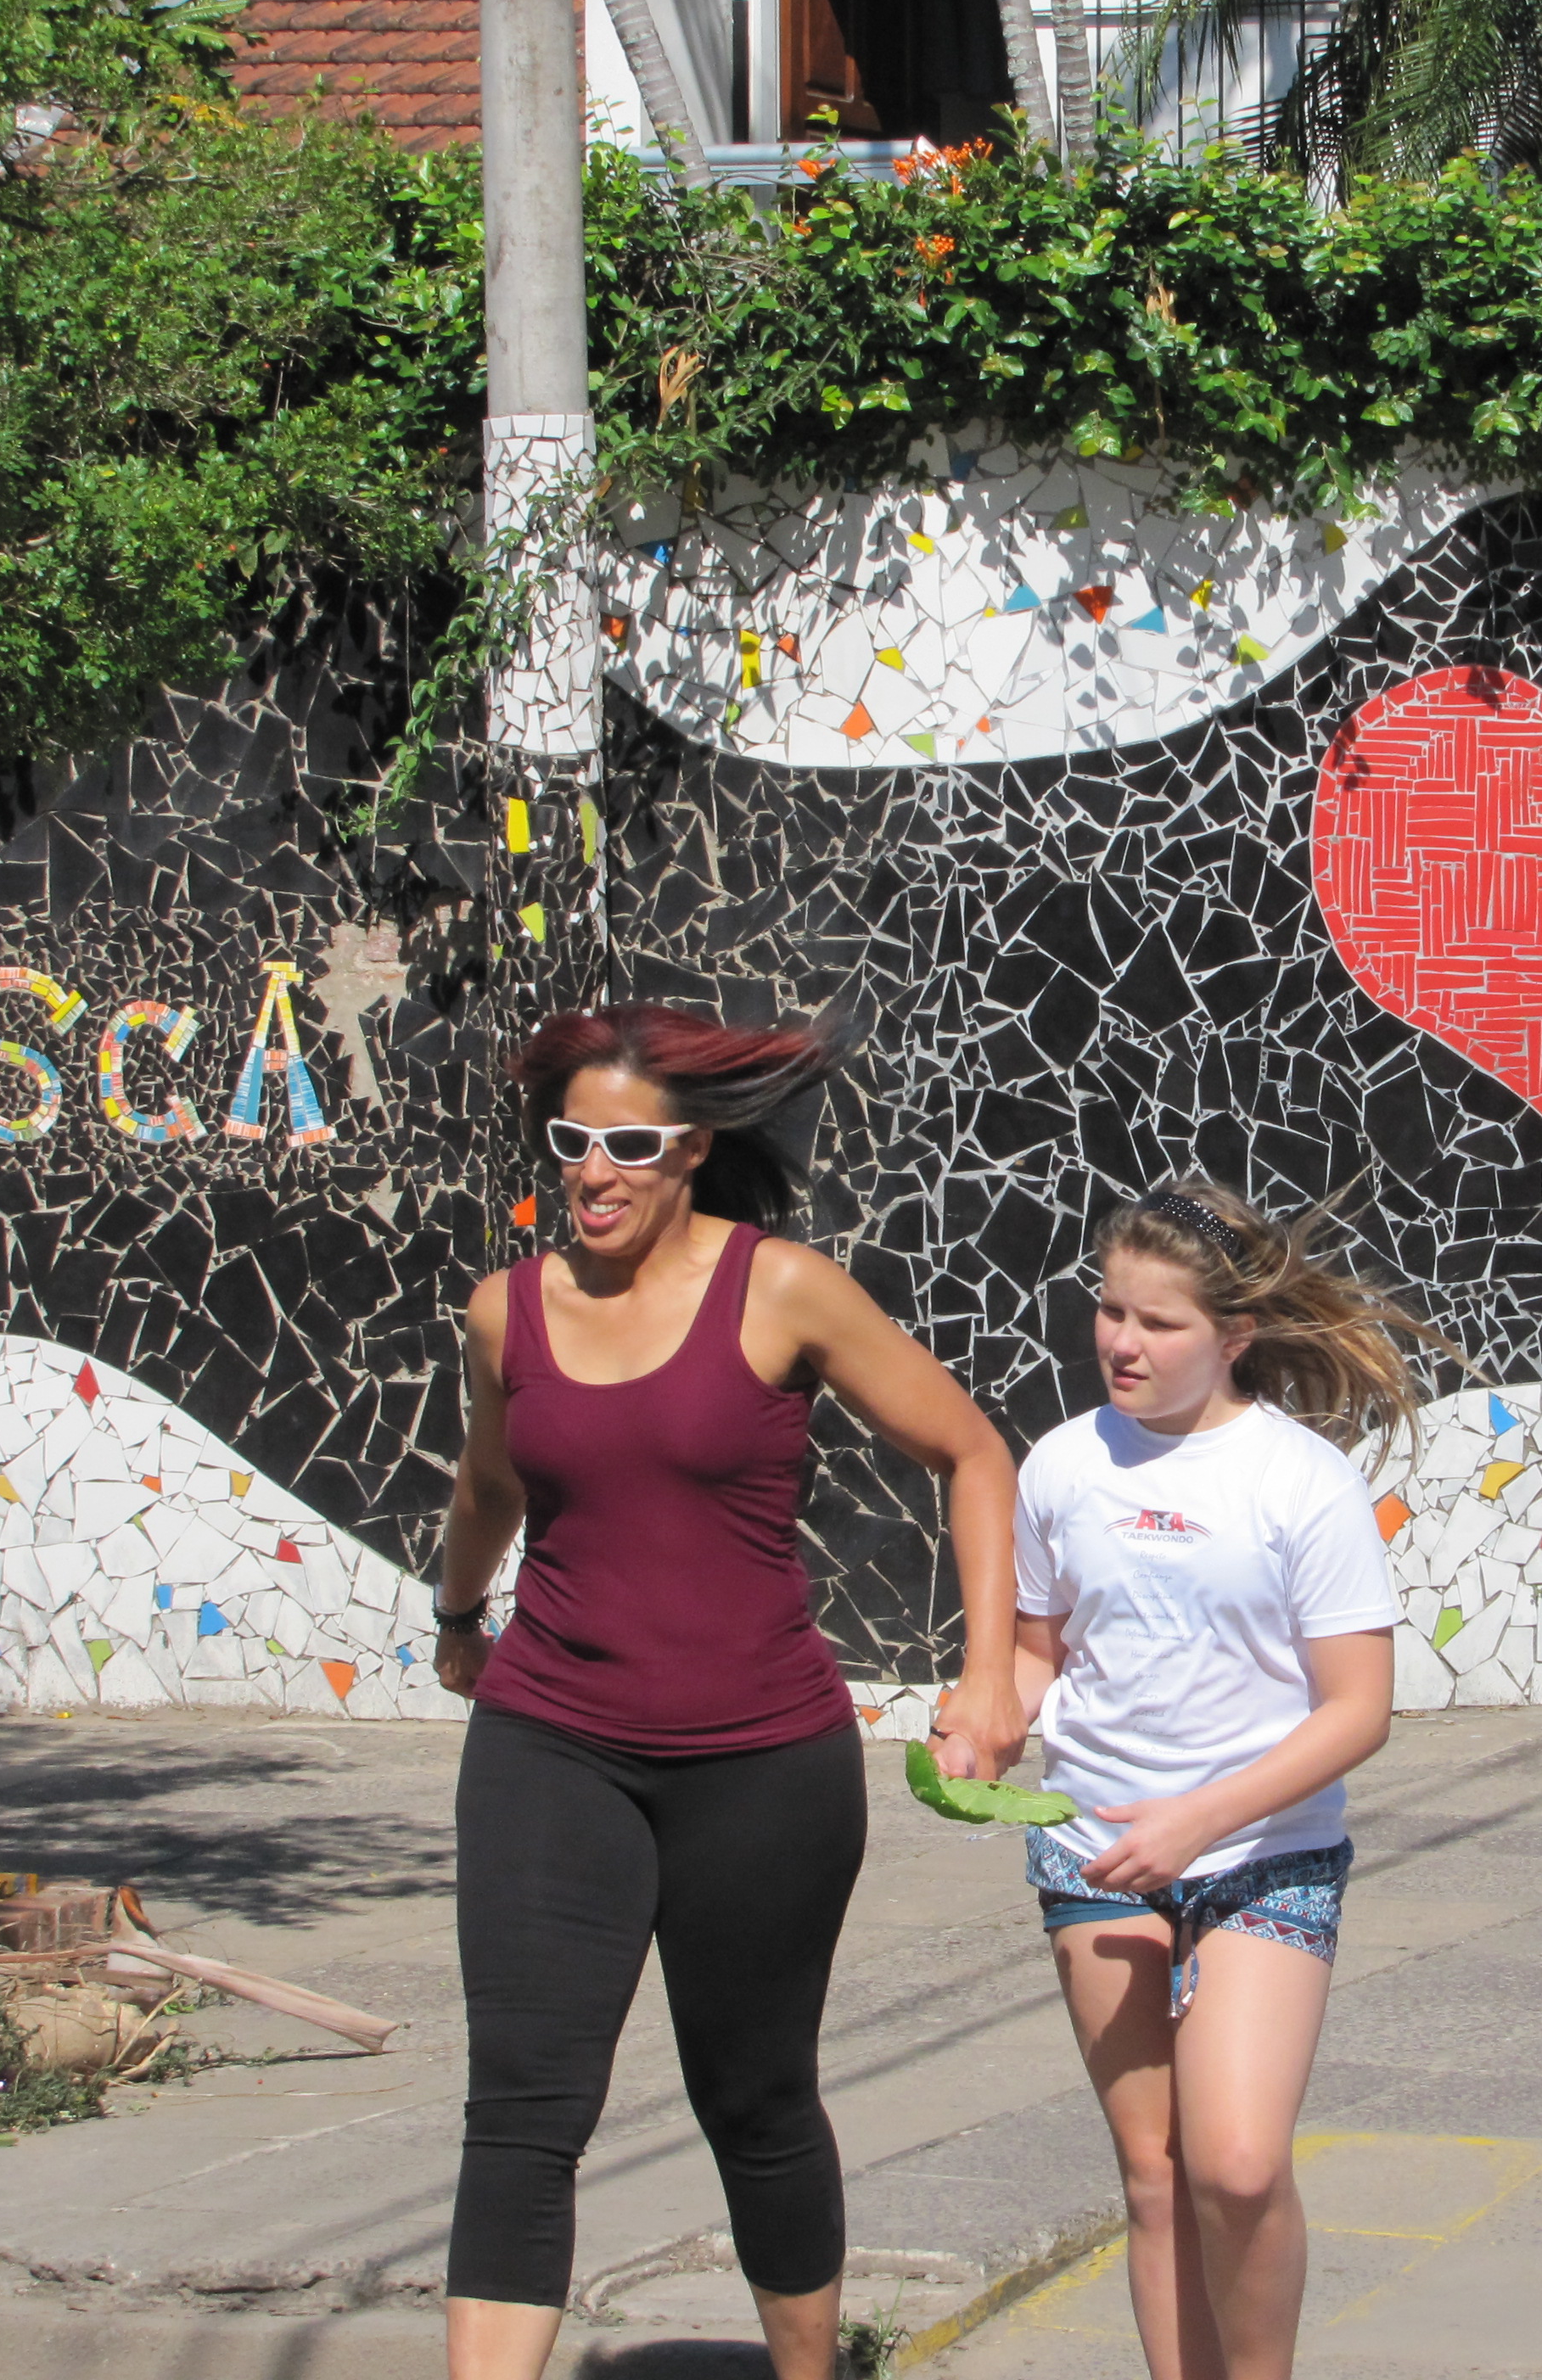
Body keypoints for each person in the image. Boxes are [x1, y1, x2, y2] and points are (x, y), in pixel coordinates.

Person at [429, 1002, 1028, 2380]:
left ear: (692, 1149)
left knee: (754, 2100)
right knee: (521, 2107)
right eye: (573, 1140)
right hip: (550, 1743)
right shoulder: (505, 1311)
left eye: (630, 1144)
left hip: (761, 1763)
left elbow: (973, 1452)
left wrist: (987, 1676)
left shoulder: (782, 1288)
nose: (596, 1171)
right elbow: (491, 1482)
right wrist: (461, 1613)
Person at [1008, 1181, 1443, 2380]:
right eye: (1109, 1313)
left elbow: (1359, 1711)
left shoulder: (1301, 1482)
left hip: (1264, 1856)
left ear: (1234, 1338)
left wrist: (1201, 1816)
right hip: (1093, 1847)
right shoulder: (1059, 1466)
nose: (1122, 1345)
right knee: (1153, 2175)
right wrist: (982, 1718)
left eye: (1158, 1324)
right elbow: (1036, 1652)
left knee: (1236, 2166)